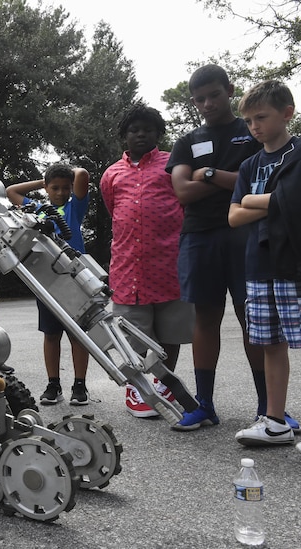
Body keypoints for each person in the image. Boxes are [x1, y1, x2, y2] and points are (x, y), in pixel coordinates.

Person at [164, 64, 297, 431]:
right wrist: (233, 180)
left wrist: (206, 173)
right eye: (199, 99)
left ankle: (268, 409)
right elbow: (182, 192)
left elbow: (266, 176)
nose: (207, 104)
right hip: (199, 236)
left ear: (229, 90)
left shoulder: (253, 128)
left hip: (249, 237)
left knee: (252, 320)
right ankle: (204, 405)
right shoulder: (187, 141)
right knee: (205, 318)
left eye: (214, 95)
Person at [100, 102, 195, 418]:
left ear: (158, 133)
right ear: (124, 136)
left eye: (147, 129)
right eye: (134, 130)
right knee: (133, 332)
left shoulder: (174, 164)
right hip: (129, 267)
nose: (140, 134)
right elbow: (115, 210)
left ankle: (165, 382)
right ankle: (138, 387)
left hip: (170, 264)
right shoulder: (112, 174)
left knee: (172, 332)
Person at [229, 80, 299, 445]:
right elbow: (233, 217)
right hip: (258, 265)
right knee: (271, 344)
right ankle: (276, 422)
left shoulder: (299, 153)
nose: (254, 126)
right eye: (249, 120)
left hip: (294, 265)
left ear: (287, 114)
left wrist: (255, 203)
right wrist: (276, 201)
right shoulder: (249, 164)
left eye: (261, 117)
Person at [6, 163, 91, 405]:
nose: (61, 192)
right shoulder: (38, 209)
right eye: (55, 188)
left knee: (78, 335)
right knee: (51, 335)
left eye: (66, 187)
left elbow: (83, 174)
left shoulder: (75, 207)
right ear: (46, 188)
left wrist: (63, 174)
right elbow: (11, 191)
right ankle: (53, 384)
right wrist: (42, 182)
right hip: (46, 279)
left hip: (75, 278)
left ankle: (80, 385)